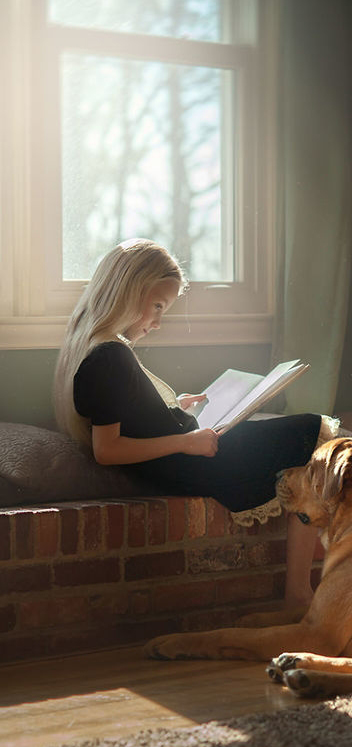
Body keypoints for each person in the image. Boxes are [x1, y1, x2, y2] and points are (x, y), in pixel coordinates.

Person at [53, 238, 330, 610]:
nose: (157, 322)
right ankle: (300, 592)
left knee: (301, 435)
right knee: (311, 431)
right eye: (156, 306)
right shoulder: (110, 356)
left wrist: (173, 406)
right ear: (128, 290)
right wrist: (186, 442)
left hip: (186, 453)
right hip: (191, 463)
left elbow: (129, 416)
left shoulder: (99, 345)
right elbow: (108, 450)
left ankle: (304, 589)